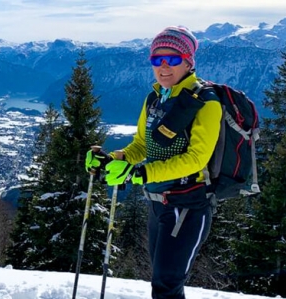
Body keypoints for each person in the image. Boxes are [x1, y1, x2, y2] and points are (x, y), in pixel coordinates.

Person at [86, 26, 222, 299]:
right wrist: (112, 159)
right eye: (156, 59)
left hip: (188, 206)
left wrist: (140, 173)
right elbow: (141, 145)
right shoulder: (155, 98)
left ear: (188, 61)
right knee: (161, 281)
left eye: (172, 59)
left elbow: (196, 160)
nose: (163, 66)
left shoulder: (206, 103)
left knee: (167, 284)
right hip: (158, 203)